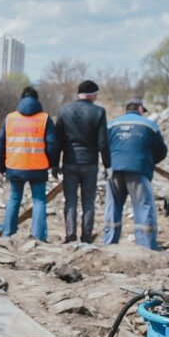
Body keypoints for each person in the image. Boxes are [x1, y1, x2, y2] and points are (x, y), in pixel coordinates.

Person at [103, 99, 168, 250]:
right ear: (140, 109)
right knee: (143, 207)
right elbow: (161, 151)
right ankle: (145, 246)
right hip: (138, 170)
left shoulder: (112, 124)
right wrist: (148, 160)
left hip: (114, 170)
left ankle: (109, 244)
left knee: (112, 207)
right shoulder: (150, 125)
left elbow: (103, 146)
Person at [0, 86, 59, 240]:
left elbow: (1, 143)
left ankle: (7, 233)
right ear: (37, 100)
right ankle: (38, 236)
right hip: (38, 168)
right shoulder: (45, 119)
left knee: (14, 199)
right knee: (39, 201)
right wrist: (51, 163)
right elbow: (52, 144)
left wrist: (1, 165)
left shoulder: (10, 118)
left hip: (15, 166)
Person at [55, 79, 111, 244]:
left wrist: (54, 163)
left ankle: (70, 235)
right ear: (93, 94)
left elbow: (58, 141)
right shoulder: (99, 112)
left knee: (70, 200)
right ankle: (86, 236)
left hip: (69, 162)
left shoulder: (64, 111)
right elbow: (102, 142)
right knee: (88, 201)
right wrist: (108, 165)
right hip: (90, 164)